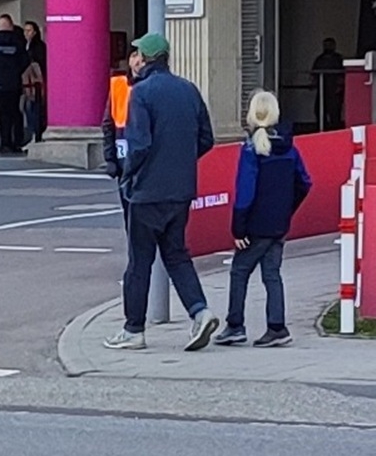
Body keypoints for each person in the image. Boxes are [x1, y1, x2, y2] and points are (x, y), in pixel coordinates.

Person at [103, 33, 219, 351]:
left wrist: (128, 175)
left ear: (150, 57)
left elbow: (139, 145)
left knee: (139, 262)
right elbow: (207, 139)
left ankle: (133, 330)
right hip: (181, 191)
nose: (135, 58)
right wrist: (180, 161)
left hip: (146, 192)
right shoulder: (189, 90)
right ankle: (200, 310)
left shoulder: (141, 93)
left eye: (139, 52)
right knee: (177, 255)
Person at [220, 90, 311, 349]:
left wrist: (238, 228)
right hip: (279, 224)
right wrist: (287, 208)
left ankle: (235, 325)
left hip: (256, 225)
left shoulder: (251, 149)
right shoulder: (289, 147)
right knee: (272, 274)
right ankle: (277, 327)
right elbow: (305, 182)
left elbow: (245, 193)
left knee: (239, 271)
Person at [0, 14, 28, 153]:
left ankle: (5, 142)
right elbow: (25, 61)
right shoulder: (18, 44)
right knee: (14, 112)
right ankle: (16, 142)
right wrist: (16, 72)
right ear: (11, 26)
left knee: (1, 114)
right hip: (13, 84)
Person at [312, 38, 347, 132]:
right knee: (319, 111)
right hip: (322, 89)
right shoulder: (320, 59)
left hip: (334, 90)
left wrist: (340, 86)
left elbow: (343, 74)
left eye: (329, 45)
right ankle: (321, 130)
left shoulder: (338, 59)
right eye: (325, 45)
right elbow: (314, 73)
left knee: (334, 113)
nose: (327, 47)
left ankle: (335, 132)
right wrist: (313, 83)